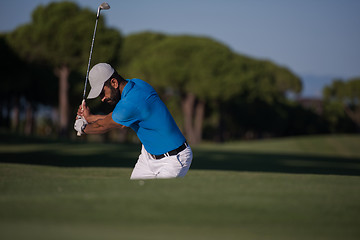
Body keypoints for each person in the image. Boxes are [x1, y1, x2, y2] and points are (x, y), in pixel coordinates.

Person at [74, 63, 192, 180]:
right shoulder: (136, 84)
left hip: (173, 159)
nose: (103, 98)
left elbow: (102, 126)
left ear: (114, 83)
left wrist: (82, 127)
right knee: (132, 196)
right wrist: (90, 118)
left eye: (102, 93)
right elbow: (116, 121)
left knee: (156, 198)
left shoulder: (130, 103)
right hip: (148, 157)